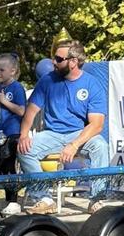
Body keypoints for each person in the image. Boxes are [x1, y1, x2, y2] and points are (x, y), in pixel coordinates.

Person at [15, 40, 110, 215]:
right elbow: (31, 110)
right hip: (52, 134)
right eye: (54, 58)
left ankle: (96, 199)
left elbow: (96, 125)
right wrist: (23, 135)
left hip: (78, 133)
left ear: (73, 62)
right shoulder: (47, 81)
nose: (53, 62)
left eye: (59, 59)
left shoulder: (92, 84)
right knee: (24, 150)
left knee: (101, 146)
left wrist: (74, 144)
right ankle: (44, 198)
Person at [0, 52, 26, 204]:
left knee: (9, 163)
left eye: (1, 70)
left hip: (13, 132)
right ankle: (9, 196)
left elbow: (22, 110)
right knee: (2, 165)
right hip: (0, 132)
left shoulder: (17, 88)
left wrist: (4, 101)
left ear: (12, 71)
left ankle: (12, 200)